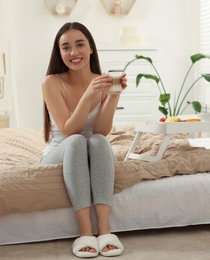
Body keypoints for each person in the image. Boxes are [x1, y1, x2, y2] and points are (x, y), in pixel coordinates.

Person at [40, 22, 126, 258]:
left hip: (90, 150)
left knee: (98, 142)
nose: (73, 52)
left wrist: (113, 96)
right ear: (60, 53)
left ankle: (106, 233)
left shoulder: (102, 81)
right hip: (60, 152)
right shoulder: (51, 82)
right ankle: (86, 233)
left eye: (80, 45)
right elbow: (70, 130)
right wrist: (89, 96)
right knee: (78, 141)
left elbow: (100, 131)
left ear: (90, 49)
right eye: (65, 47)